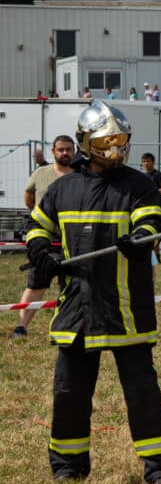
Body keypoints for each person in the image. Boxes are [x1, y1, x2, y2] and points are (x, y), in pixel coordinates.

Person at [25, 101, 161, 484]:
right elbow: (36, 228)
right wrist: (42, 252)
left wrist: (141, 240)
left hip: (125, 308)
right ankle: (68, 466)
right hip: (77, 306)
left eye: (119, 142)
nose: (113, 150)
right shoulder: (63, 188)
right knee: (68, 393)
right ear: (85, 143)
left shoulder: (139, 186)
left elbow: (152, 223)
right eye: (105, 142)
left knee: (143, 394)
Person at [11, 135, 75, 341]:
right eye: (61, 149)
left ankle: (64, 327)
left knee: (71, 288)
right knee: (36, 286)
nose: (65, 153)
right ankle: (21, 327)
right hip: (44, 243)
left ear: (74, 152)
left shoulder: (81, 176)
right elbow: (29, 199)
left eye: (68, 149)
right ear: (54, 152)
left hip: (70, 242)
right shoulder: (40, 173)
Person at [141, 152, 161, 277]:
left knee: (156, 235)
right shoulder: (141, 176)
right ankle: (149, 259)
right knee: (147, 235)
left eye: (148, 161)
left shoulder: (158, 175)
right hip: (144, 210)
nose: (146, 163)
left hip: (156, 208)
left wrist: (153, 192)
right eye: (144, 161)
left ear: (153, 162)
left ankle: (156, 258)